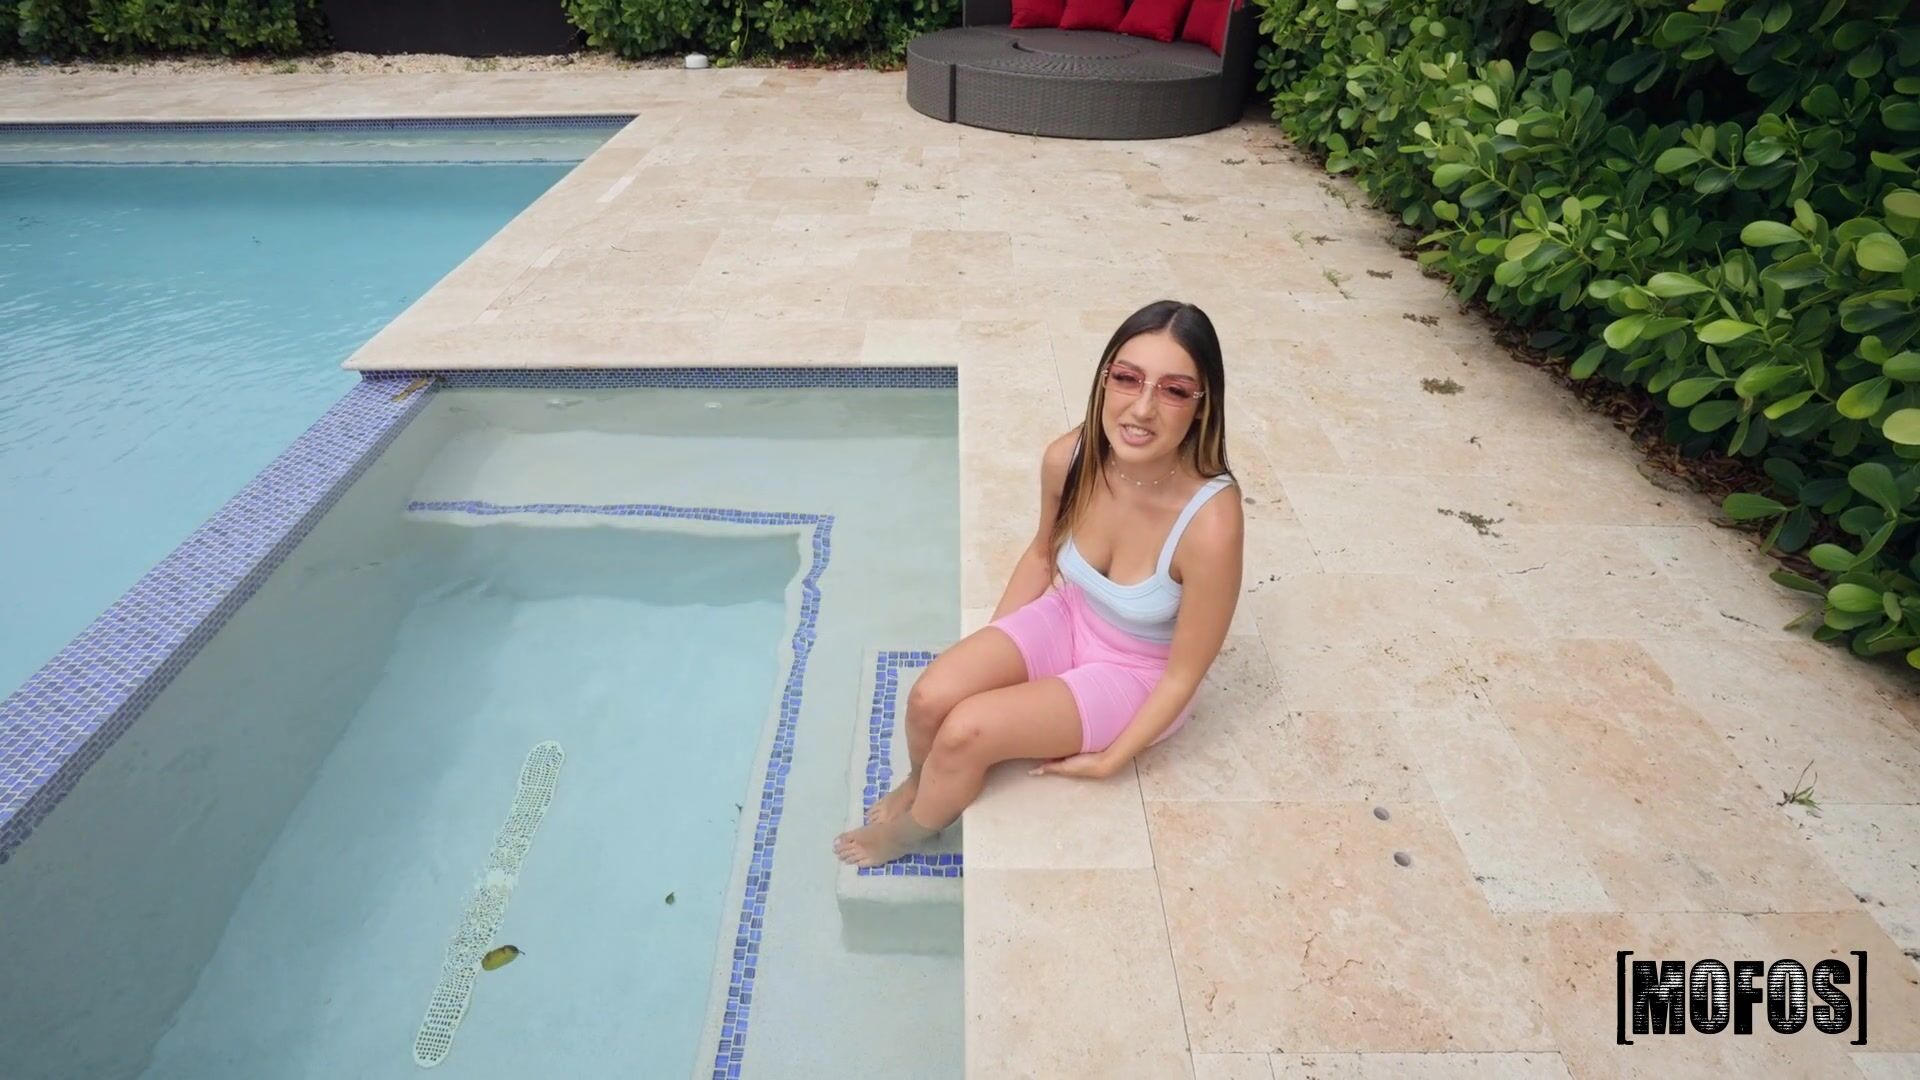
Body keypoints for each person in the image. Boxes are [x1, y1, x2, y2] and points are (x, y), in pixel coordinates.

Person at [834, 300, 1245, 868]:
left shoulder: (1211, 522)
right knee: (931, 697)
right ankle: (919, 781)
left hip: (1139, 673)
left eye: (1174, 391)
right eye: (1127, 379)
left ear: (1202, 407)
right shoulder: (1070, 458)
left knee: (965, 732)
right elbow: (1041, 554)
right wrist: (990, 651)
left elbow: (1183, 675)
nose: (1142, 408)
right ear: (1104, 380)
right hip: (1073, 615)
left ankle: (910, 833)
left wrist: (1112, 759)